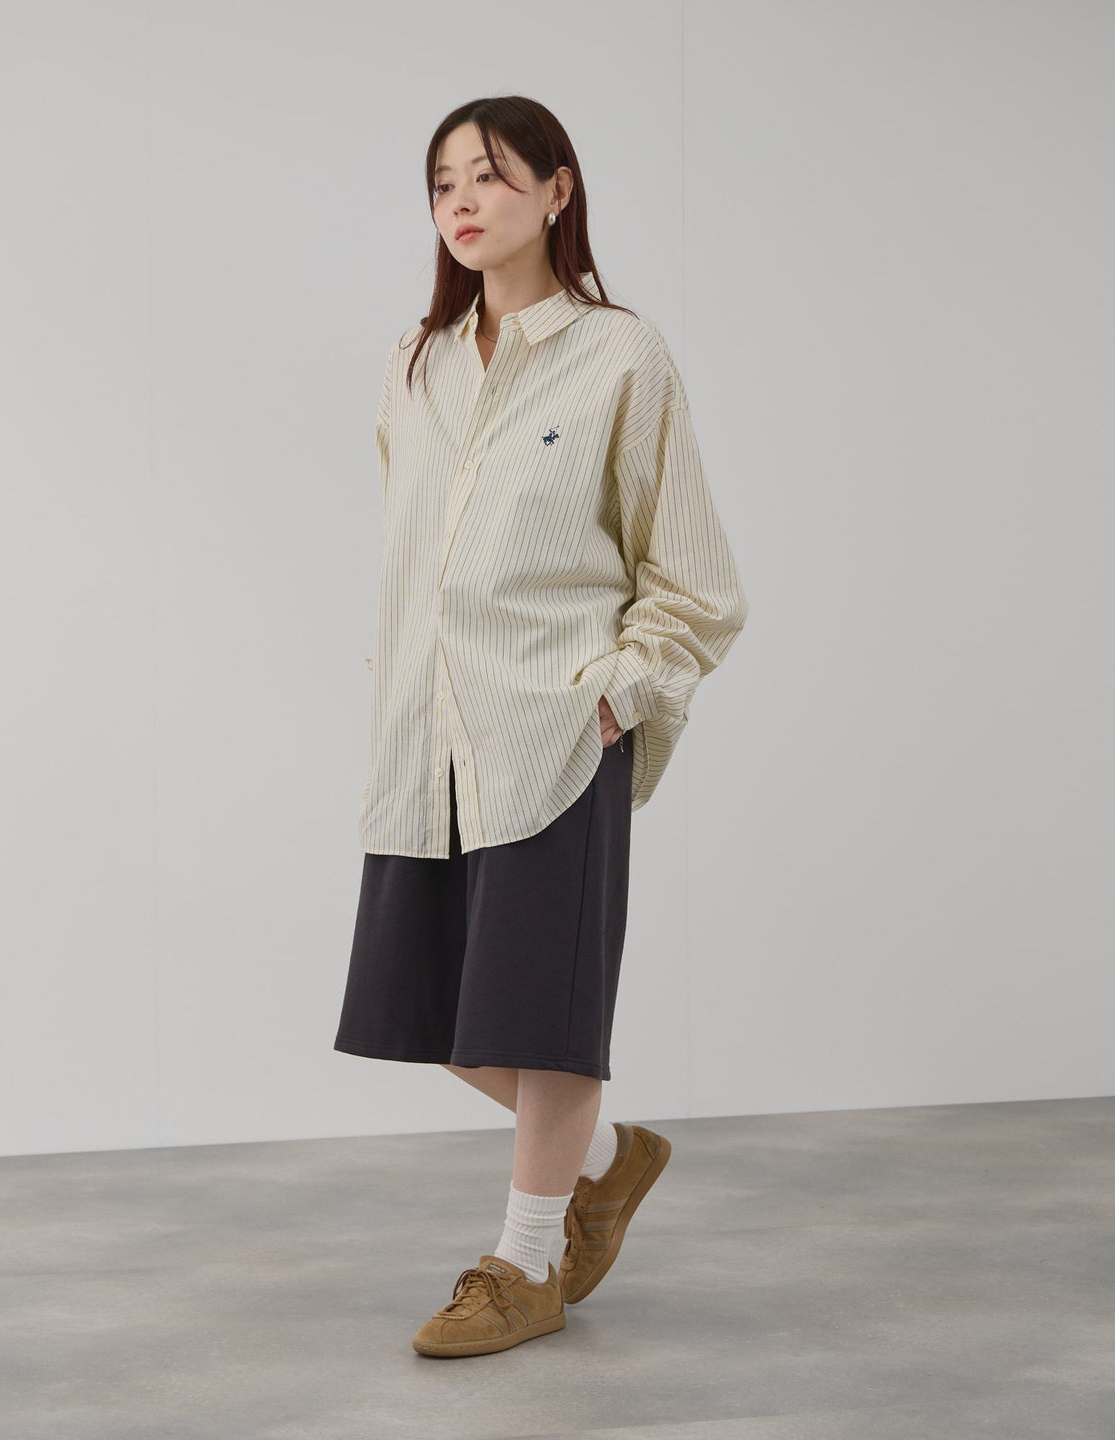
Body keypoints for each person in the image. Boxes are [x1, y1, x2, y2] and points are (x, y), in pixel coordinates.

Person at [333, 95, 749, 1357]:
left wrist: (620, 691)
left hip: (561, 734)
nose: (462, 202)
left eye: (492, 175)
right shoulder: (416, 366)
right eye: (443, 182)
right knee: (426, 1011)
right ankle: (610, 1159)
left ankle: (523, 1268)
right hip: (427, 742)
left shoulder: (622, 356)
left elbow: (694, 577)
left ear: (558, 190)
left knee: (538, 1016)